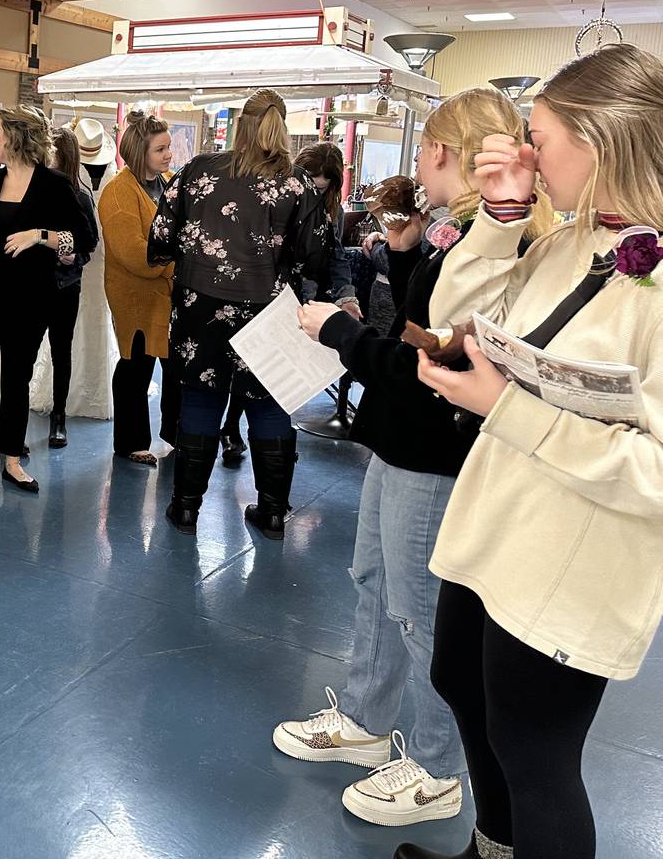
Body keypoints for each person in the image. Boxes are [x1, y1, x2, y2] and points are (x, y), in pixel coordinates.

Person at [404, 43, 663, 859]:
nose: (523, 154)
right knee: (463, 690)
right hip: (498, 526)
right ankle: (491, 849)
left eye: (538, 139)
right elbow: (462, 314)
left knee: (535, 750)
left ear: (601, 142)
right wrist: (503, 218)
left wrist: (506, 409)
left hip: (575, 557)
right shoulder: (570, 244)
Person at [278, 88, 553, 830]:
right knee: (373, 583)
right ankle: (368, 718)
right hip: (400, 441)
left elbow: (429, 369)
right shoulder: (453, 237)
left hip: (433, 453)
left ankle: (436, 766)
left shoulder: (495, 244)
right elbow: (423, 333)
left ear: (441, 154)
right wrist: (402, 262)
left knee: (420, 612)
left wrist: (337, 332)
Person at [149, 88, 332, 539]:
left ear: (237, 125)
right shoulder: (298, 184)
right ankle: (272, 513)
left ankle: (186, 509)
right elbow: (318, 253)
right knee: (270, 404)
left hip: (200, 307)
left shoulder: (197, 170)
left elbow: (160, 236)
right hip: (269, 311)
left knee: (201, 400)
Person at [0, 105, 95, 499]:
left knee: (16, 381)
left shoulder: (56, 186)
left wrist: (39, 235)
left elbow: (83, 241)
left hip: (29, 302)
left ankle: (11, 458)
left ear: (15, 136)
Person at [99, 110, 178, 466]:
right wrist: (177, 266)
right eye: (160, 149)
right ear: (139, 152)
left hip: (170, 293)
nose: (168, 155)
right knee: (137, 364)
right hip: (135, 295)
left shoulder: (170, 184)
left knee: (176, 365)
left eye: (169, 147)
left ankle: (177, 434)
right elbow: (134, 253)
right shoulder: (118, 193)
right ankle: (131, 441)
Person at [31, 124, 100, 447]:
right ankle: (16, 424)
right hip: (33, 283)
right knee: (25, 352)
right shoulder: (33, 190)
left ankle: (59, 418)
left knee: (61, 351)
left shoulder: (80, 197)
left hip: (65, 286)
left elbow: (91, 243)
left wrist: (78, 258)